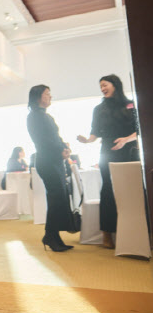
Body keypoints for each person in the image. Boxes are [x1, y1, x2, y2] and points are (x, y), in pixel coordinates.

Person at [77, 74, 139, 249]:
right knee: (108, 190)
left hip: (129, 151)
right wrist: (87, 141)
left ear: (115, 85)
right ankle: (107, 233)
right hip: (107, 153)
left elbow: (139, 129)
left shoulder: (130, 105)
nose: (103, 88)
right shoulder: (98, 109)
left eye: (105, 85)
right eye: (101, 86)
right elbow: (95, 132)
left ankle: (139, 232)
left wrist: (126, 140)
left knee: (133, 190)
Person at [27, 85, 74, 252]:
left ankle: (53, 236)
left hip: (54, 160)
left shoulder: (45, 116)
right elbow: (43, 140)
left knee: (58, 198)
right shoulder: (34, 117)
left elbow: (55, 137)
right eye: (47, 94)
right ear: (38, 97)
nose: (50, 96)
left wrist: (64, 148)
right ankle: (50, 236)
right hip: (47, 162)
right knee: (56, 199)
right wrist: (60, 150)